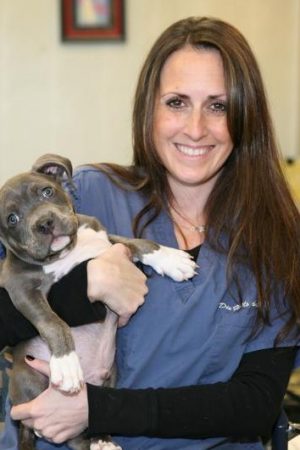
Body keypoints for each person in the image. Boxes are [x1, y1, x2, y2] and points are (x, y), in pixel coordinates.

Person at [1, 15, 300, 450]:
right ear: (149, 109)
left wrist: (96, 409)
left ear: (244, 114)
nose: (196, 128)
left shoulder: (274, 236)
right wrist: (87, 286)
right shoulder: (86, 197)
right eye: (177, 102)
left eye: (218, 105)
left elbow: (253, 403)